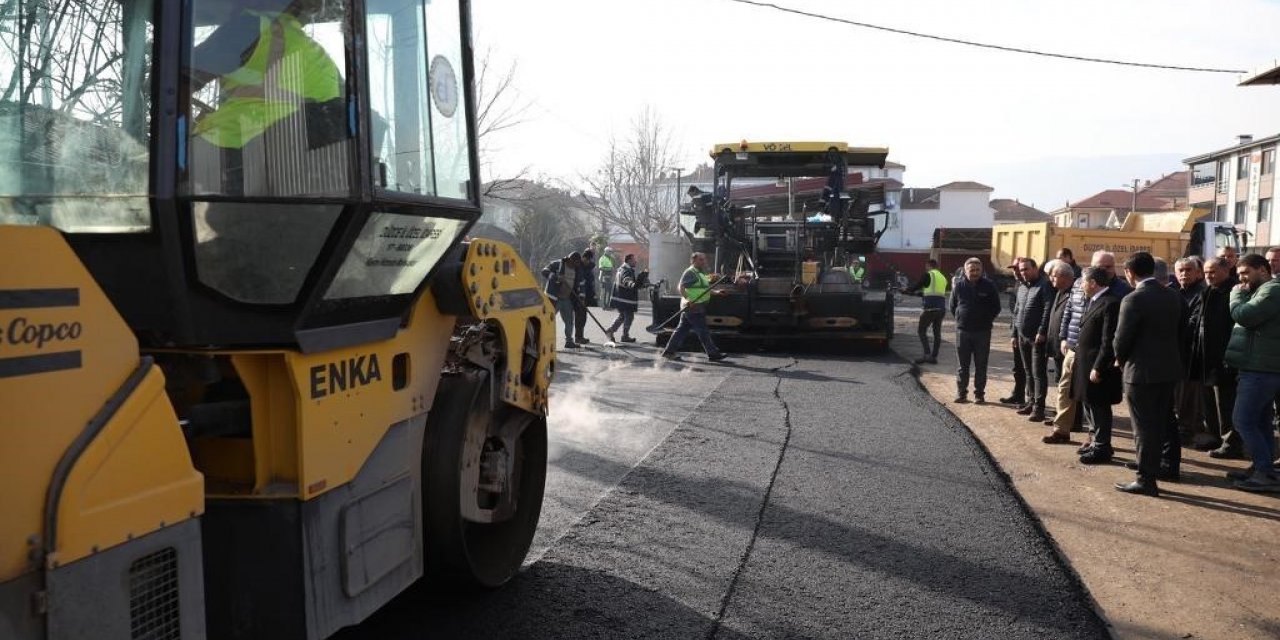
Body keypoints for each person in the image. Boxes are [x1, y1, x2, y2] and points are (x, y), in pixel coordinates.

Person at [1113, 252, 1183, 497]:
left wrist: (1119, 360)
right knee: (1162, 423)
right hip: (1168, 370)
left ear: (1130, 272)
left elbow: (1121, 339)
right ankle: (1157, 468)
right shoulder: (1174, 296)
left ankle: (1146, 479)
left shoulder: (1133, 299)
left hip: (1140, 372)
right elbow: (1183, 333)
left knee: (1143, 428)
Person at [1223, 254, 1280, 492]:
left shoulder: (1272, 290)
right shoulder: (1262, 290)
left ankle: (1265, 472)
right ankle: (1262, 467)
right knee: (1260, 421)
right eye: (1239, 275)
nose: (1241, 279)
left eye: (1246, 272)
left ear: (1263, 270)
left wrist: (1235, 294)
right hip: (1257, 368)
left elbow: (1244, 316)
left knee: (1243, 420)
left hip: (1261, 370)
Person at [1074, 266, 1123, 464]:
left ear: (1093, 283)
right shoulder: (1094, 301)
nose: (1081, 286)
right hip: (1085, 363)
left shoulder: (1110, 303)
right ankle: (1097, 442)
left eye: (1083, 282)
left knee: (1099, 406)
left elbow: (1108, 340)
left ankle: (1102, 447)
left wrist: (1099, 367)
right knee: (1089, 403)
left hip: (1097, 366)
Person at [1199, 257, 1242, 459]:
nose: (1209, 276)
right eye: (1206, 272)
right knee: (1209, 401)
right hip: (1207, 358)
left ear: (1226, 270)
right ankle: (1214, 436)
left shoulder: (1234, 291)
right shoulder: (1208, 290)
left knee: (1225, 403)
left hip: (1225, 358)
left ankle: (1231, 443)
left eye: (1213, 272)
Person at [949, 257, 1002, 404]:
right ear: (965, 270)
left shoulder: (989, 286)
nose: (975, 272)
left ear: (982, 271)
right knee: (962, 366)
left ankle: (979, 394)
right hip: (963, 332)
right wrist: (962, 319)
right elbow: (952, 307)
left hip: (982, 332)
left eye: (978, 270)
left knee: (981, 365)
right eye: (971, 270)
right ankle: (961, 394)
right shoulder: (959, 286)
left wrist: (985, 319)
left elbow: (996, 308)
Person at [660, 252, 728, 362]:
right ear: (693, 261)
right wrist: (688, 300)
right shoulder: (690, 272)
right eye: (701, 259)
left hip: (695, 306)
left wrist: (717, 292)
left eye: (704, 259)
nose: (703, 261)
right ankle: (713, 353)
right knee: (703, 331)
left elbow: (704, 289)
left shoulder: (699, 273)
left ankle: (669, 352)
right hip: (693, 306)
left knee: (681, 330)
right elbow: (680, 287)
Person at [1174, 257, 1211, 449]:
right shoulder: (1175, 293)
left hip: (1193, 353)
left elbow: (1192, 324)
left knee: (1190, 394)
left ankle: (1188, 429)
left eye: (1188, 270)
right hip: (1177, 352)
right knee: (1179, 394)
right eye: (1180, 270)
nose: (1184, 274)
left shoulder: (1202, 294)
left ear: (1198, 273)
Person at [1042, 260, 1080, 443]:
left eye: (1054, 276)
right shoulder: (1059, 292)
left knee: (1070, 388)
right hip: (1058, 347)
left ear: (1065, 277)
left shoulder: (1075, 293)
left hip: (1069, 349)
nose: (1051, 279)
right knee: (1061, 385)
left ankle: (1073, 422)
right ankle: (1062, 418)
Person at [1013, 258, 1055, 421]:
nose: (1024, 273)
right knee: (1028, 371)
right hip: (1022, 336)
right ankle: (1030, 401)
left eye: (1026, 269)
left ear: (1035, 268)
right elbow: (1017, 311)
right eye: (1021, 270)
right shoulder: (1022, 287)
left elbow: (1047, 309)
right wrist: (1014, 334)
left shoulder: (1044, 286)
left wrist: (1042, 331)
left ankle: (1039, 407)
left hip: (1037, 338)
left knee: (1038, 373)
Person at [905, 258, 949, 364]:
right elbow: (932, 292)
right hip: (941, 309)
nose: (926, 268)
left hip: (930, 309)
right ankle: (934, 357)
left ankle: (927, 355)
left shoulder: (928, 274)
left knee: (921, 331)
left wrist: (907, 290)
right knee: (937, 333)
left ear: (929, 266)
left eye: (926, 266)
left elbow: (917, 286)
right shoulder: (943, 278)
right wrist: (915, 293)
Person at [542, 252, 586, 349]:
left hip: (567, 298)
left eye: (577, 264)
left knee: (569, 320)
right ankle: (542, 341)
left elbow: (582, 284)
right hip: (554, 298)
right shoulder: (557, 264)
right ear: (570, 260)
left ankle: (569, 341)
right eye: (574, 263)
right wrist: (555, 277)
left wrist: (582, 298)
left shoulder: (578, 270)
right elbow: (544, 271)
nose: (575, 265)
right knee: (548, 320)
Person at [1001, 263, 1027, 405]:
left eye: (1019, 269)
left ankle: (1032, 400)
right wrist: (1013, 333)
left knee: (1028, 368)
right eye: (1014, 270)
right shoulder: (1019, 285)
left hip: (1029, 334)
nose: (1016, 272)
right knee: (1017, 367)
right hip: (1016, 330)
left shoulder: (1034, 286)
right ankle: (1018, 394)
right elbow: (1015, 311)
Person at [604, 253, 640, 343]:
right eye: (634, 260)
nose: (636, 261)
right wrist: (633, 285)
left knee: (622, 316)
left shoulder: (622, 268)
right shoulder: (626, 270)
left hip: (620, 298)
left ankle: (612, 331)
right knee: (629, 316)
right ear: (629, 261)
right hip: (625, 299)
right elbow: (626, 280)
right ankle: (624, 335)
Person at [574, 249, 599, 344]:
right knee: (579, 317)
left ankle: (581, 336)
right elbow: (579, 282)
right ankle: (578, 337)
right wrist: (581, 297)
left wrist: (593, 295)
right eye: (586, 259)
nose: (588, 261)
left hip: (587, 295)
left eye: (589, 260)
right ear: (583, 257)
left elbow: (590, 282)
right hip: (578, 295)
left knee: (583, 317)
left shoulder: (589, 267)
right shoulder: (578, 266)